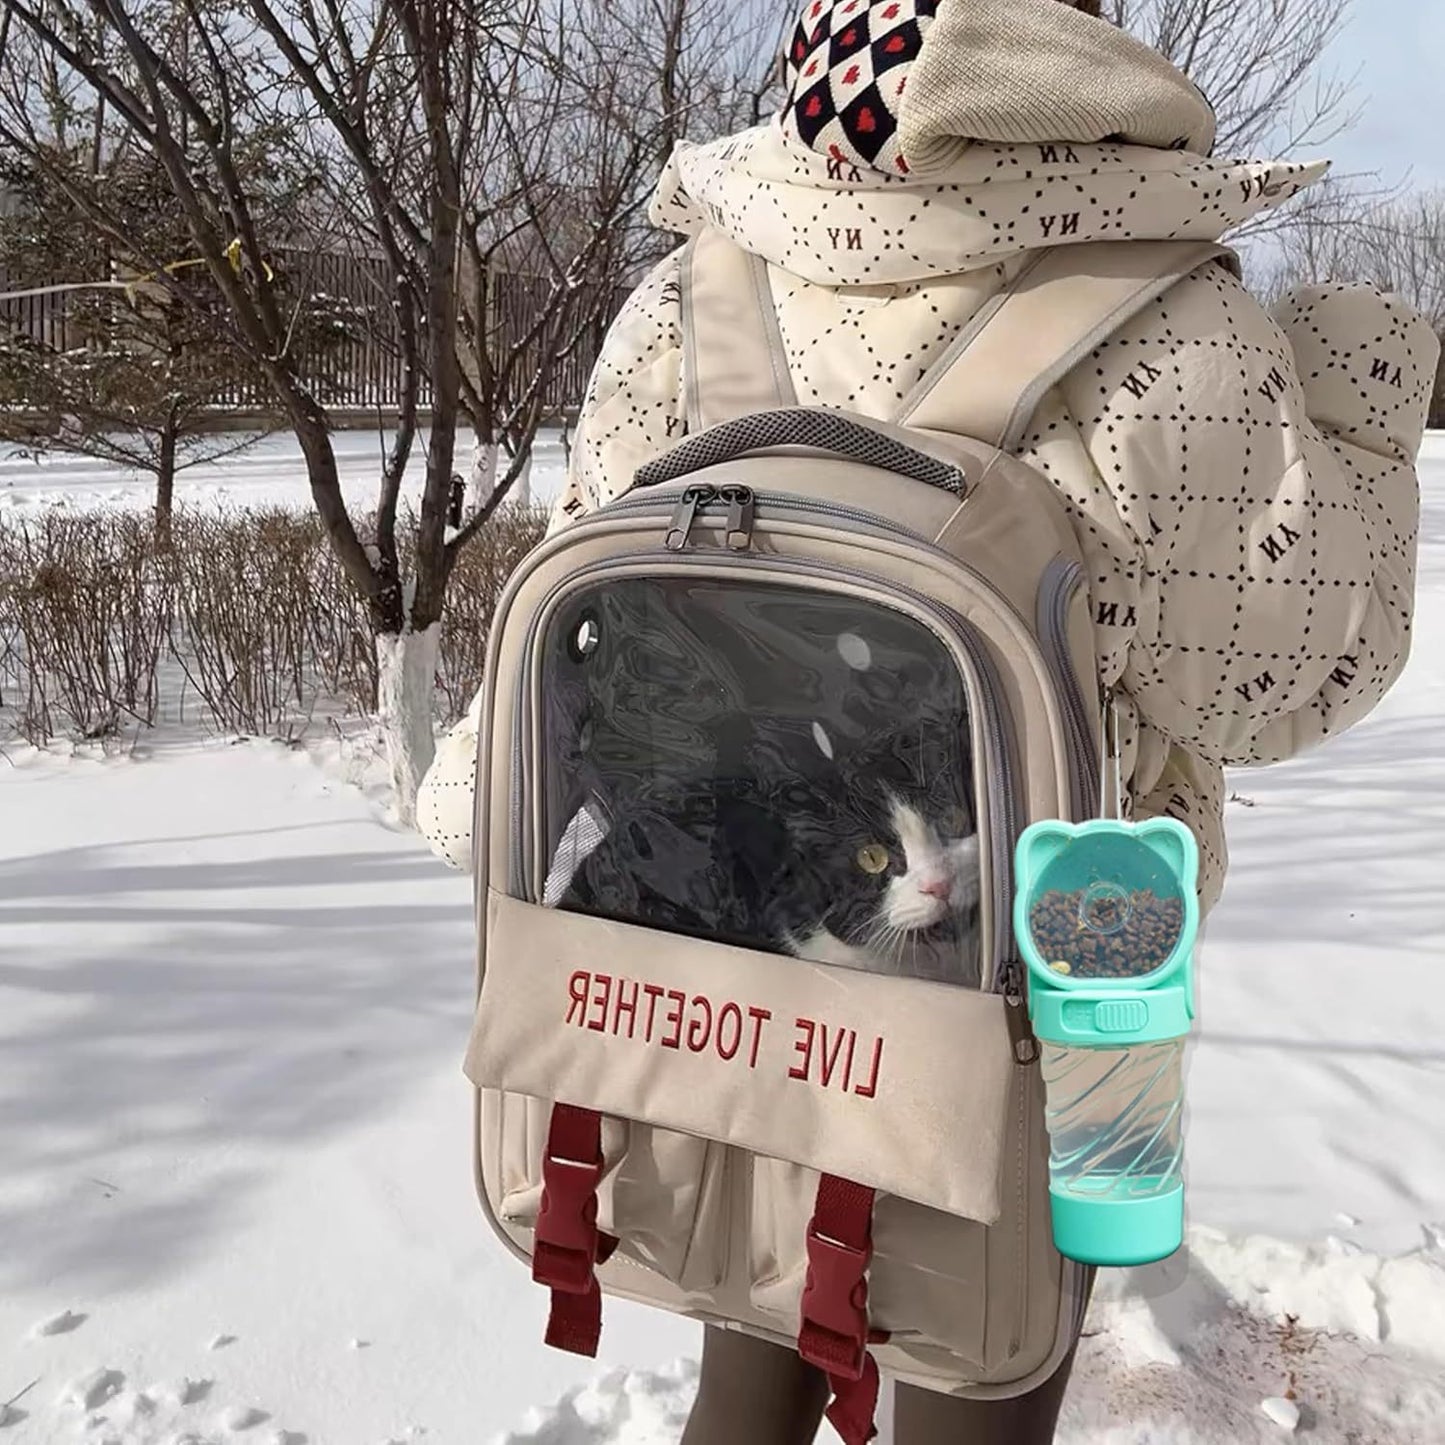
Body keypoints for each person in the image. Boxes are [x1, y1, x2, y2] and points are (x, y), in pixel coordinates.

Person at [419, 0, 1439, 1439]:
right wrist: (1362, 413)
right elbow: (1286, 676)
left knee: (757, 1264)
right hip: (1085, 928)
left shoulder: (697, 281)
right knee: (996, 1335)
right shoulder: (1169, 307)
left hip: (739, 925)